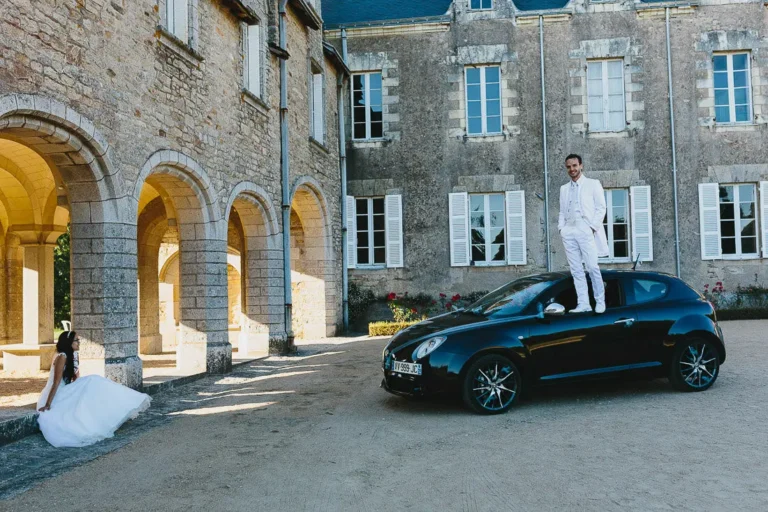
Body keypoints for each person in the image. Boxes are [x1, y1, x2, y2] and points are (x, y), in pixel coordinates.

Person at [37, 331, 151, 448]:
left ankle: (114, 411)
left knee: (93, 384)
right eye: (76, 340)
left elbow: (76, 379)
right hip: (57, 393)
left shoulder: (72, 355)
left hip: (66, 388)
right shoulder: (62, 356)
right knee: (92, 380)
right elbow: (56, 382)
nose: (79, 343)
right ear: (69, 342)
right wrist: (47, 404)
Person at [557, 154, 609, 314]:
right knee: (576, 269)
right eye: (569, 167)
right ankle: (583, 303)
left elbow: (601, 208)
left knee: (592, 267)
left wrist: (592, 228)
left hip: (585, 228)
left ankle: (600, 301)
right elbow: (561, 211)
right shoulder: (563, 189)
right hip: (569, 230)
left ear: (581, 166)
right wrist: (561, 228)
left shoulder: (593, 184)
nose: (572, 169)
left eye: (574, 165)